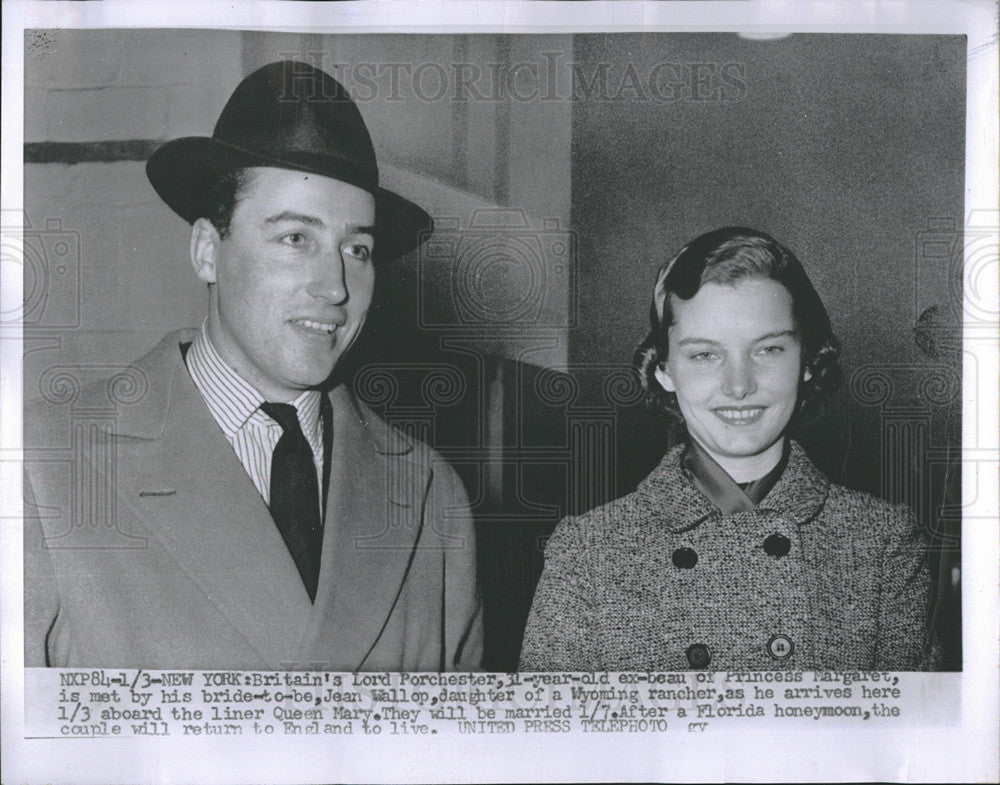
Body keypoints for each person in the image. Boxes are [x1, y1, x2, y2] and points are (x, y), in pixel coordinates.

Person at [24, 61, 482, 671]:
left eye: (358, 249)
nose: (336, 287)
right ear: (208, 251)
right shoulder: (47, 464)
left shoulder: (431, 497)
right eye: (296, 238)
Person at [519, 227, 935, 671]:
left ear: (809, 363)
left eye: (769, 349)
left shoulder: (882, 542)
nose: (739, 386)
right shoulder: (588, 552)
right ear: (663, 370)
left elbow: (907, 737)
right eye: (704, 355)